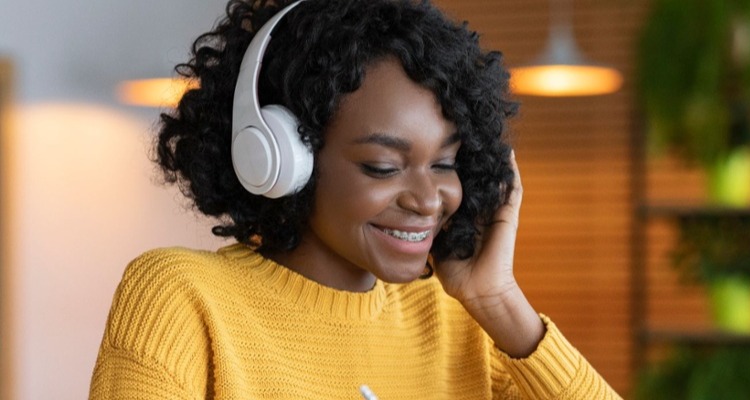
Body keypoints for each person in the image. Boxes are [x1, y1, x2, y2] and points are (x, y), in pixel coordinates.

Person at [88, 0, 621, 398]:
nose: (428, 199)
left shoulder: (461, 323)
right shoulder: (182, 300)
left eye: (444, 163)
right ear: (282, 158)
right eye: (383, 167)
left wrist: (500, 305)